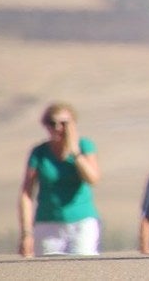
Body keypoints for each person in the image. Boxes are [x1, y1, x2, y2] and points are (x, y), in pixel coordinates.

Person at [17, 102, 101, 257]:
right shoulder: (39, 153)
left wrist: (75, 153)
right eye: (52, 123)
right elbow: (26, 194)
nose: (57, 128)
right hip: (48, 224)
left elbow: (93, 178)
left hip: (81, 223)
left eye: (63, 123)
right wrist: (26, 232)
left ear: (73, 124)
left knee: (84, 269)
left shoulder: (84, 146)